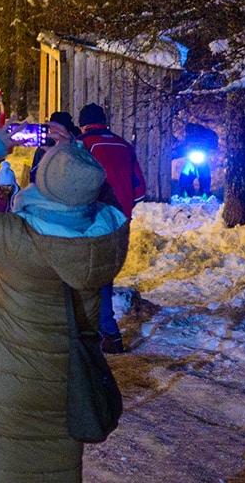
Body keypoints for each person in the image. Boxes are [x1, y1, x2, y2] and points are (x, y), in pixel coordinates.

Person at [0, 113, 129, 483]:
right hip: (63, 390)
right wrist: (75, 159)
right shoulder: (107, 240)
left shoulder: (16, 239)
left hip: (5, 393)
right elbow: (99, 192)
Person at [76, 103, 146, 353]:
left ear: (84, 124)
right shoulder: (124, 145)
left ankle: (103, 332)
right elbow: (140, 189)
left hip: (92, 219)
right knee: (105, 276)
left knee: (88, 278)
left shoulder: (83, 144)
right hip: (120, 223)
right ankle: (109, 336)